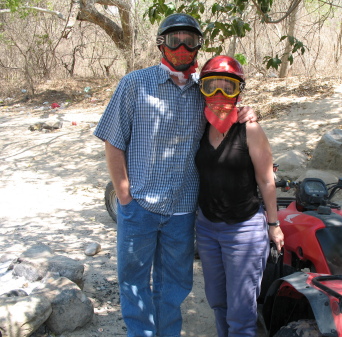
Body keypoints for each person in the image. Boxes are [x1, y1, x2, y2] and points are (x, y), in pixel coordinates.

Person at [94, 14, 256, 337]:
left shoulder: (203, 93)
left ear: (198, 47)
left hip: (182, 211)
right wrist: (124, 196)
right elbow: (113, 142)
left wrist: (246, 112)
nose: (182, 48)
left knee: (174, 286)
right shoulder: (134, 85)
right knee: (134, 282)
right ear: (160, 45)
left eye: (190, 41)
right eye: (174, 40)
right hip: (139, 206)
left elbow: (225, 109)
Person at [195, 55, 284, 337]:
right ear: (202, 90)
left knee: (242, 312)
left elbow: (266, 179)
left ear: (239, 92)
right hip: (207, 229)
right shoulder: (198, 126)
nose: (219, 94)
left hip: (243, 231)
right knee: (218, 302)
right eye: (212, 87)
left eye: (228, 87)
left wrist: (274, 224)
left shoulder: (251, 129)